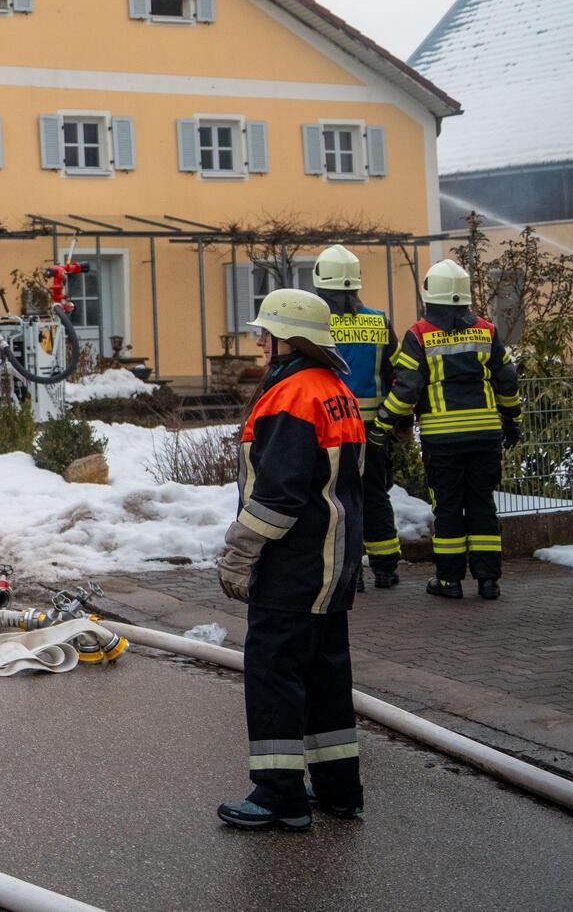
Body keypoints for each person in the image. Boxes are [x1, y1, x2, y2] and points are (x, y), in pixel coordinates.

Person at [214, 287, 367, 831]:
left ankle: (280, 795)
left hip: (294, 564)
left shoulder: (290, 397)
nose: (258, 340)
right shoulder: (335, 392)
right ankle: (339, 790)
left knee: (275, 673)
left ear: (290, 339)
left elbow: (279, 495)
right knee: (327, 676)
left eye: (266, 332)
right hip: (334, 564)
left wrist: (239, 553)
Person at [372, 259, 521, 600]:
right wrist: (513, 421)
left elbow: (407, 389)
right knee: (483, 503)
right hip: (486, 435)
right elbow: (507, 380)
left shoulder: (419, 334)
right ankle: (488, 581)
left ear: (428, 295)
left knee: (449, 507)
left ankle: (449, 581)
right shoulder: (486, 330)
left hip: (444, 439)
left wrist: (382, 424)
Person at [312, 246, 401, 589]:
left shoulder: (318, 324)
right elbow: (397, 373)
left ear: (321, 281)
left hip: (331, 427)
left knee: (336, 498)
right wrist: (398, 422)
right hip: (373, 428)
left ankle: (350, 573)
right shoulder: (379, 320)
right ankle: (386, 568)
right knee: (375, 494)